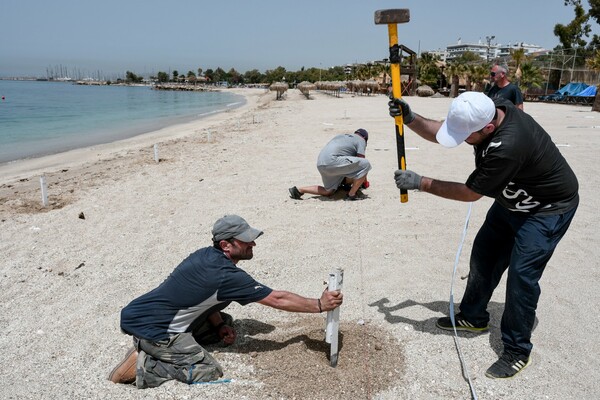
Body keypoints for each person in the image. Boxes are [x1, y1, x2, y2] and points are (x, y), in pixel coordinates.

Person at [388, 92, 578, 379]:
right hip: (511, 202)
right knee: (483, 257)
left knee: (522, 276)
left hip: (546, 209)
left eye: (466, 136)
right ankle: (473, 317)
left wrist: (422, 183)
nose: (463, 139)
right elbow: (444, 129)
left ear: (488, 128)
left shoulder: (509, 145)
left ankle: (516, 350)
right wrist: (410, 118)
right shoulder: (487, 110)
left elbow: (470, 193)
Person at [108, 214, 343, 388]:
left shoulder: (205, 255)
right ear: (226, 245)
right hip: (157, 331)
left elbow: (205, 299)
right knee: (207, 370)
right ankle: (143, 365)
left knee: (225, 319)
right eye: (246, 240)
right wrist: (319, 305)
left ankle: (152, 346)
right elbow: (277, 299)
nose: (253, 244)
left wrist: (219, 325)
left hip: (144, 315)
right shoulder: (225, 275)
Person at [288, 128, 371, 201]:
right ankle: (351, 195)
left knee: (328, 191)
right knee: (366, 164)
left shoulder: (341, 137)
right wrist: (365, 182)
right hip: (333, 161)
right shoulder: (361, 140)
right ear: (365, 138)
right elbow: (362, 163)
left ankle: (299, 190)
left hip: (321, 163)